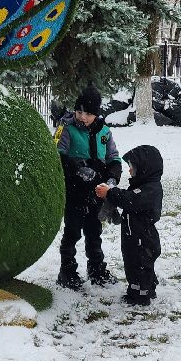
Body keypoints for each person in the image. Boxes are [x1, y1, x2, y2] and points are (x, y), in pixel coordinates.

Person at [54, 85, 121, 290]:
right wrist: (76, 168)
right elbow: (57, 154)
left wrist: (112, 178)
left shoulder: (105, 132)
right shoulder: (65, 128)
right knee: (72, 231)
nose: (82, 117)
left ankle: (97, 270)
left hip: (96, 190)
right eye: (79, 111)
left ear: (96, 114)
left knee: (94, 231)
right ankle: (67, 271)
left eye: (88, 113)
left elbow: (114, 158)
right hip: (75, 189)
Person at [95, 145, 163, 306]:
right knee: (135, 263)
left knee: (139, 264)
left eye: (132, 167)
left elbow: (130, 199)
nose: (129, 171)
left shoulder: (150, 189)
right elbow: (129, 199)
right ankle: (146, 287)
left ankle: (140, 294)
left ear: (145, 168)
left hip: (141, 237)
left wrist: (110, 192)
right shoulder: (144, 186)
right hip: (135, 235)